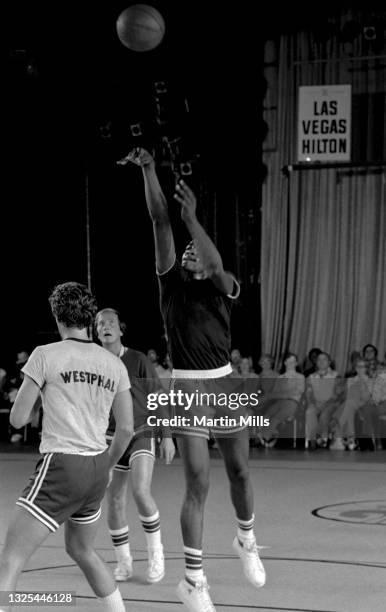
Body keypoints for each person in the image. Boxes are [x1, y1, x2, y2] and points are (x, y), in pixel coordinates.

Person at [127, 147, 265, 612]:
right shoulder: (171, 287)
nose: (189, 252)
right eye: (187, 251)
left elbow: (215, 261)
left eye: (196, 251)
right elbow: (160, 223)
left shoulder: (223, 287)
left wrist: (195, 222)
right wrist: (149, 171)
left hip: (223, 384)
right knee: (198, 485)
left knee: (240, 472)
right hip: (187, 387)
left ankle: (246, 539)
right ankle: (193, 580)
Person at [0, 282, 134, 612]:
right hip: (96, 469)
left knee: (11, 557)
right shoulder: (114, 364)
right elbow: (127, 428)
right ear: (89, 317)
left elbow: (17, 419)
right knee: (81, 549)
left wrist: (39, 399)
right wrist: (106, 464)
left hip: (62, 466)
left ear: (57, 317)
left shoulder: (45, 355)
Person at [96, 308, 175, 583]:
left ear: (121, 329)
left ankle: (156, 555)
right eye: (100, 323)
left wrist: (166, 435)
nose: (106, 326)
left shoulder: (137, 359)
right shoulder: (93, 363)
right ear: (96, 332)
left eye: (111, 322)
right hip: (108, 437)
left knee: (141, 492)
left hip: (141, 431)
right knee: (114, 500)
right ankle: (124, 562)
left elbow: (158, 396)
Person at [258, 352, 305, 447]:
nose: (291, 364)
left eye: (293, 362)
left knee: (277, 417)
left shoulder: (300, 377)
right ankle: (266, 436)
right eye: (289, 361)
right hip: (280, 402)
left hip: (293, 403)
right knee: (268, 413)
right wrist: (284, 394)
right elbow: (274, 393)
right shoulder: (280, 377)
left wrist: (282, 394)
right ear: (285, 363)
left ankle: (266, 437)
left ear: (296, 363)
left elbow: (298, 391)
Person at [304, 352, 344, 450]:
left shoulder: (336, 376)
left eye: (324, 359)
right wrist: (313, 403)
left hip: (332, 404)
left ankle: (322, 438)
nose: (321, 362)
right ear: (316, 363)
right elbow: (309, 394)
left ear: (329, 362)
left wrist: (326, 403)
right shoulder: (311, 377)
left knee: (325, 414)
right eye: (319, 360)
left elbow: (338, 395)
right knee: (310, 411)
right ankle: (312, 440)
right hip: (317, 403)